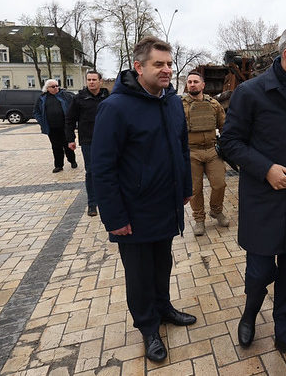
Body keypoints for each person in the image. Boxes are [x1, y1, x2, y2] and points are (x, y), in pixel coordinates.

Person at [220, 23, 286, 373]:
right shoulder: (251, 93)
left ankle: (285, 333)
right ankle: (250, 310)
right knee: (260, 271)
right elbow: (230, 143)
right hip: (263, 201)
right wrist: (266, 169)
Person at [91, 36, 197, 363]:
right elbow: (102, 167)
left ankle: (163, 308)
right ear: (139, 67)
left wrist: (185, 187)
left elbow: (181, 148)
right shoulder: (115, 108)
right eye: (159, 64)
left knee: (162, 263)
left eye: (169, 64)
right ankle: (148, 327)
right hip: (134, 211)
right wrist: (115, 217)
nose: (167, 70)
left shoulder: (171, 102)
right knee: (139, 275)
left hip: (166, 204)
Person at [182, 70, 228, 236]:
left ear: (203, 85)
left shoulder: (213, 104)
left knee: (220, 183)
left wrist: (228, 145)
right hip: (190, 152)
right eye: (189, 82)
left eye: (195, 81)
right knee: (195, 189)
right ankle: (199, 220)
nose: (192, 84)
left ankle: (216, 210)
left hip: (211, 149)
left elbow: (224, 126)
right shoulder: (179, 105)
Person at [65, 70, 109, 216]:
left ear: (100, 81)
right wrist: (71, 139)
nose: (91, 82)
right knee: (91, 171)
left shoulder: (108, 97)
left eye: (94, 79)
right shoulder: (79, 99)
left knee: (109, 170)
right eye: (89, 79)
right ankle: (92, 203)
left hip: (108, 140)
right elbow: (70, 120)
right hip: (88, 140)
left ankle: (108, 201)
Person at [34, 79, 77, 173]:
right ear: (47, 88)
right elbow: (36, 112)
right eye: (53, 86)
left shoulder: (65, 96)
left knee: (68, 145)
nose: (56, 88)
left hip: (65, 126)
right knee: (56, 147)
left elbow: (72, 108)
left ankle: (72, 160)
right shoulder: (42, 98)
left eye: (57, 86)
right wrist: (42, 122)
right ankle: (58, 165)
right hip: (51, 128)